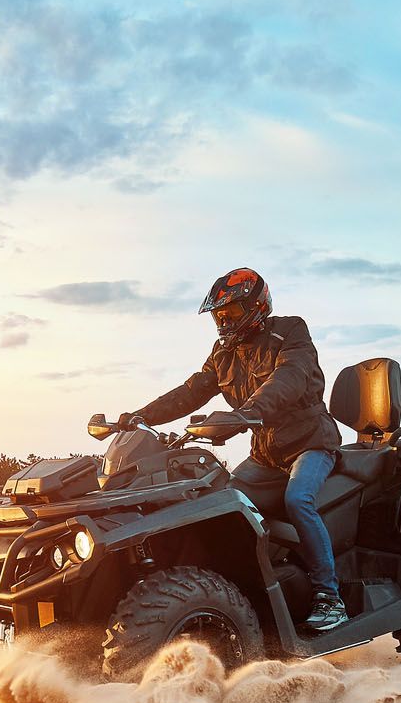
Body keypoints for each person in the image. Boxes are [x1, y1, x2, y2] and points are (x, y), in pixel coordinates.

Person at [120, 268, 347, 634]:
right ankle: (249, 587)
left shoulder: (290, 332)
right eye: (218, 316)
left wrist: (248, 413)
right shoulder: (223, 352)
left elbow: (289, 379)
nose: (224, 322)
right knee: (222, 501)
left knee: (298, 499)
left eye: (232, 313)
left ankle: (329, 598)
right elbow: (191, 391)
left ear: (257, 307)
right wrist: (140, 415)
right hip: (266, 454)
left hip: (311, 443)